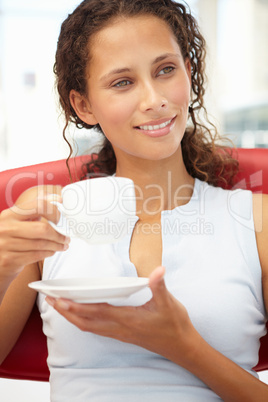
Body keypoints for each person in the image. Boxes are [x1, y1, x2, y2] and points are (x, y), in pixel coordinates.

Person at [0, 0, 267, 400]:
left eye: (165, 70)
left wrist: (183, 346)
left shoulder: (257, 220)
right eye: (123, 82)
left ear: (189, 74)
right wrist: (1, 269)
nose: (154, 99)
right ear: (84, 105)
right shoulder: (47, 218)